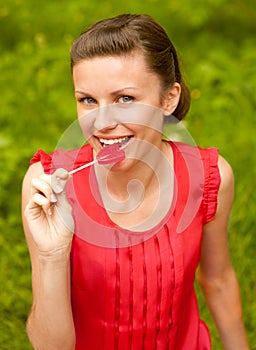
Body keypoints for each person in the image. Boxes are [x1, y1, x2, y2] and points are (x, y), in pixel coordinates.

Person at [22, 14, 249, 350]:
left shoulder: (210, 177)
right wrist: (51, 255)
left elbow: (218, 279)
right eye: (88, 100)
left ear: (168, 99)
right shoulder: (48, 188)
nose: (102, 121)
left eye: (124, 99)